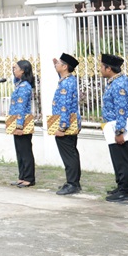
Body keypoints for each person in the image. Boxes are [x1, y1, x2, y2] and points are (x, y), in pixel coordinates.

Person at [101, 53, 128, 202]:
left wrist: (120, 131)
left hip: (118, 126)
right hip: (112, 126)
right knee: (117, 158)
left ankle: (126, 191)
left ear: (109, 69)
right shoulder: (114, 82)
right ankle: (121, 186)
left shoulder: (119, 83)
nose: (100, 70)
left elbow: (121, 109)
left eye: (102, 67)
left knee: (122, 158)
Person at [52, 53, 82, 196]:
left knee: (69, 155)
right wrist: (55, 65)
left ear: (65, 67)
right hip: (68, 122)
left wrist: (62, 127)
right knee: (71, 153)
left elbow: (65, 106)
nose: (56, 65)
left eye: (59, 63)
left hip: (65, 124)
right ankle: (73, 182)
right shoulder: (68, 79)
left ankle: (72, 184)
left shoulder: (66, 83)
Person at [9, 60, 36, 188]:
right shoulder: (19, 84)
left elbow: (21, 107)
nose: (14, 70)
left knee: (25, 151)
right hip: (16, 121)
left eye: (16, 68)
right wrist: (12, 67)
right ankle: (22, 176)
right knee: (19, 151)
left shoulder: (25, 86)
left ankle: (29, 178)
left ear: (23, 70)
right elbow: (14, 78)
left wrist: (19, 126)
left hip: (23, 122)